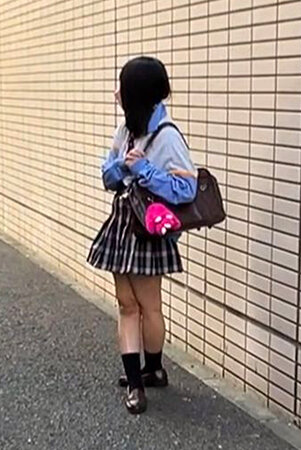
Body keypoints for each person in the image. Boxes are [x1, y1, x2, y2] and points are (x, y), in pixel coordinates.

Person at [87, 56, 197, 414]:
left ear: (136, 93)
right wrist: (122, 166)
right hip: (123, 224)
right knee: (126, 303)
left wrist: (144, 169)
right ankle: (136, 382)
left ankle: (153, 369)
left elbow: (186, 189)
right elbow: (108, 177)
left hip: (147, 230)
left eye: (121, 86)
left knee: (148, 305)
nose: (115, 93)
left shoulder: (167, 136)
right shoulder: (126, 130)